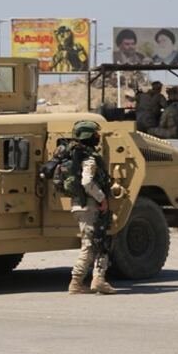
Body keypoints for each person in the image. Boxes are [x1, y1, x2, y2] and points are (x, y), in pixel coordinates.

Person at [65, 120, 116, 295]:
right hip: (91, 206)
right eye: (96, 135)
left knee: (101, 242)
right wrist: (101, 198)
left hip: (80, 205)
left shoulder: (71, 155)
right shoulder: (89, 158)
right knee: (90, 245)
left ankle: (98, 280)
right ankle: (76, 282)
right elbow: (87, 182)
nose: (98, 137)